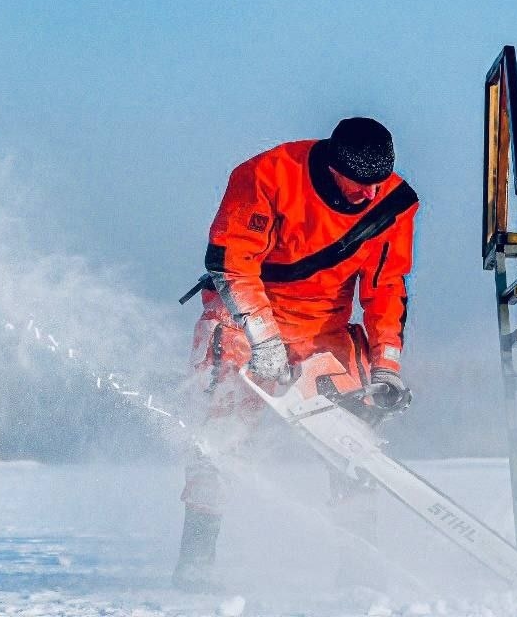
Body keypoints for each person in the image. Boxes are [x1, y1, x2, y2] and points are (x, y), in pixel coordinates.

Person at [172, 117, 419, 592]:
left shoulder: (393, 201)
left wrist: (386, 366)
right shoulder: (267, 174)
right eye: (361, 184)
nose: (370, 195)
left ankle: (358, 575)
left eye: (378, 183)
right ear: (333, 165)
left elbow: (386, 287)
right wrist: (263, 338)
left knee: (353, 445)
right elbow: (232, 263)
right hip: (244, 316)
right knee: (219, 434)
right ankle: (196, 564)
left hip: (324, 328)